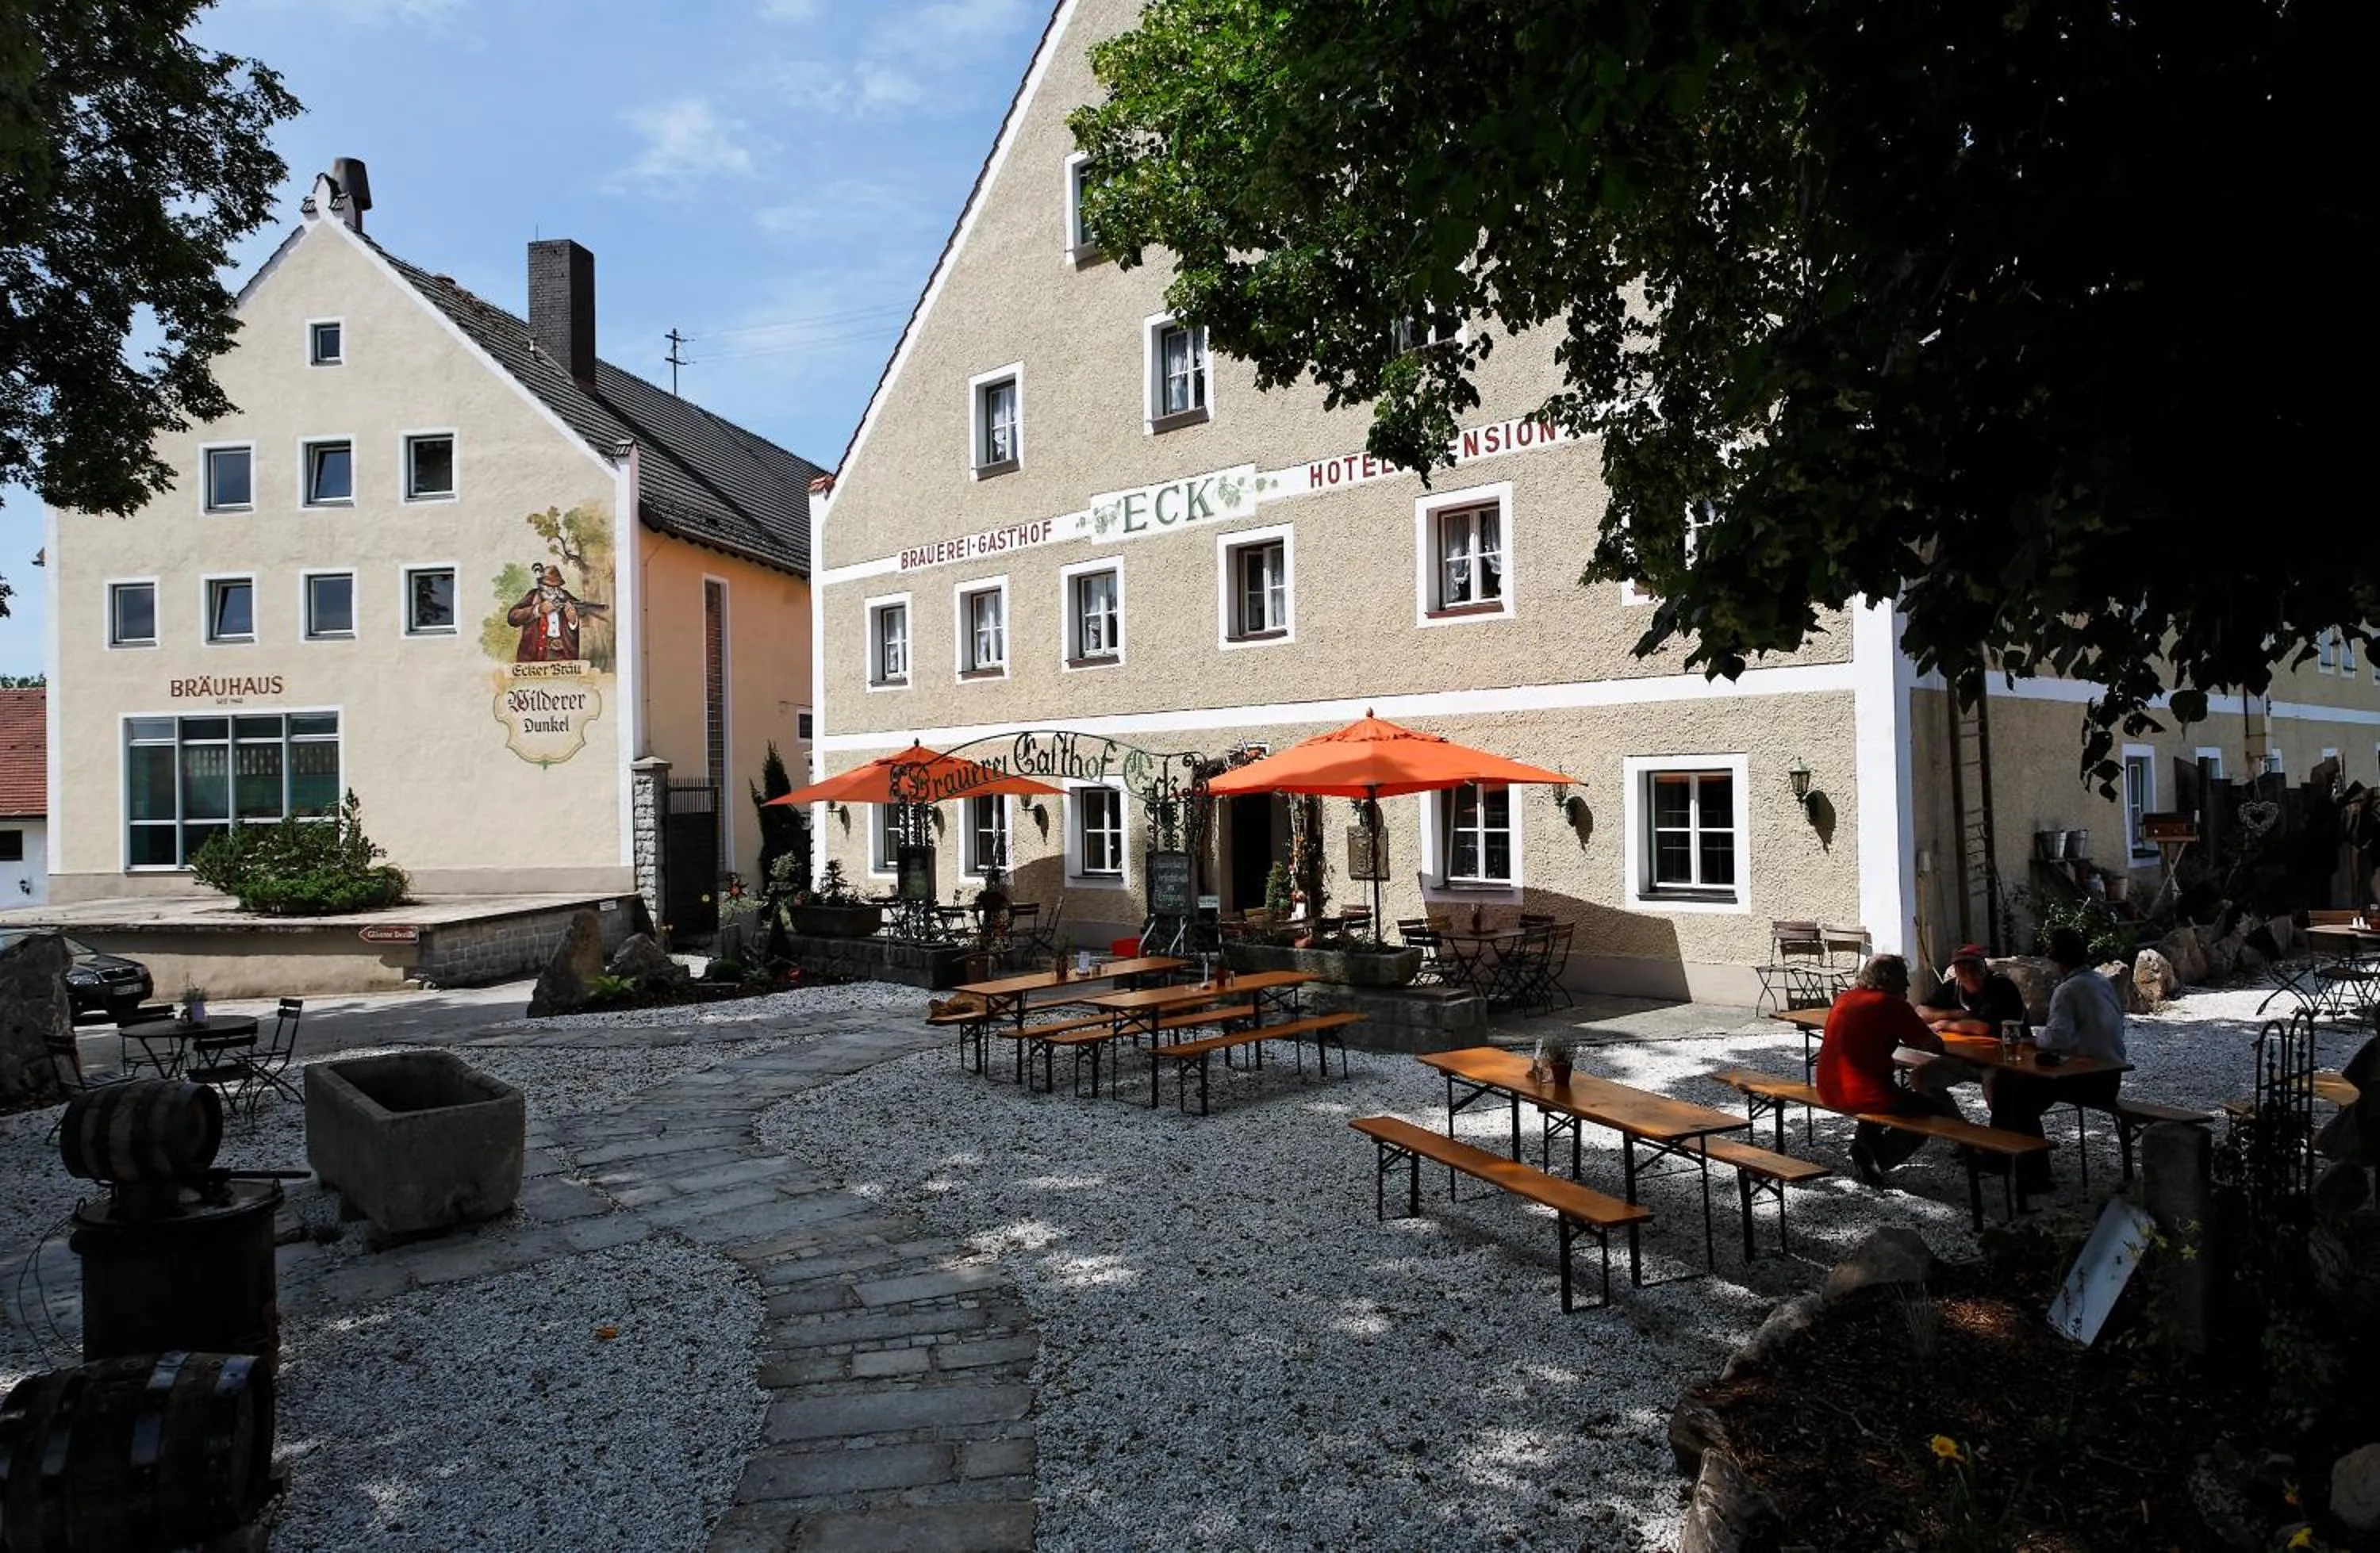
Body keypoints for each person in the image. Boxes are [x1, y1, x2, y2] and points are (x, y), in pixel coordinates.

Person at [1989, 926, 2127, 1194]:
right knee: (2016, 1088)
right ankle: (2003, 1156)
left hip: (2086, 1079)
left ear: (2055, 959)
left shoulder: (2068, 990)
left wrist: (2032, 1041)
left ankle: (2031, 1172)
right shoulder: (2101, 981)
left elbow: (2058, 1040)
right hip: (2112, 1076)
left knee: (2014, 1091)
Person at [1814, 953, 1960, 1187]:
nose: (1908, 984)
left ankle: (1864, 1146)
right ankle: (1877, 1158)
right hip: (1864, 1094)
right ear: (1888, 979)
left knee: (1887, 1095)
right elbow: (1932, 1045)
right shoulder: (1891, 1005)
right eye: (1903, 977)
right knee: (1931, 1110)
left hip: (1828, 1088)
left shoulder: (1845, 998)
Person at [1921, 945, 2030, 1037]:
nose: (1969, 975)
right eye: (1962, 969)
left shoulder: (2001, 985)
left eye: (1974, 968)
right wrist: (1953, 1014)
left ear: (1984, 967)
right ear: (1956, 971)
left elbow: (1983, 1028)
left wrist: (1945, 1024)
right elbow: (1921, 1012)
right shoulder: (1953, 986)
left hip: (2014, 1045)